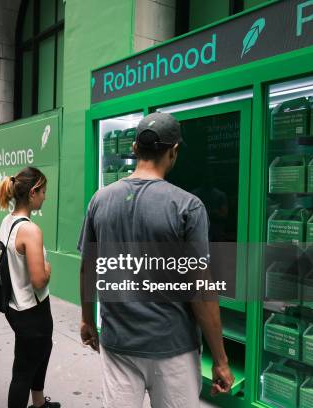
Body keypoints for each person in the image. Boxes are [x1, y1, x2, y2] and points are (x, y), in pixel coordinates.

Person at [78, 112, 234, 408]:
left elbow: (88, 268)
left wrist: (87, 319)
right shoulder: (187, 206)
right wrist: (220, 360)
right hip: (173, 350)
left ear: (135, 148)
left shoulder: (100, 200)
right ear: (173, 152)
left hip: (118, 344)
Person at [0, 167, 59, 408]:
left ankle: (39, 403)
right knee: (24, 369)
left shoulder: (7, 221)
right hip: (32, 310)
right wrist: (48, 267)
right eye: (43, 192)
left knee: (39, 354)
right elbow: (40, 280)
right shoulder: (31, 230)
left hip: (15, 305)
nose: (45, 196)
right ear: (33, 192)